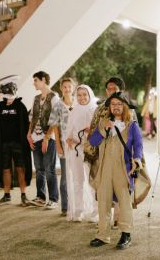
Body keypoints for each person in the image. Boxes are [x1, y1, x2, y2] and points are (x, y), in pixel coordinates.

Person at [89, 91, 143, 250]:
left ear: (125, 106)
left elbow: (138, 146)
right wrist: (103, 129)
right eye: (113, 104)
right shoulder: (104, 122)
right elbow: (93, 141)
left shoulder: (132, 125)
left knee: (125, 202)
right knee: (103, 201)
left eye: (119, 104)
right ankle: (103, 235)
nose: (116, 107)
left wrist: (137, 159)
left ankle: (126, 233)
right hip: (105, 167)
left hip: (124, 167)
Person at [84, 77, 127, 228]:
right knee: (103, 187)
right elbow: (93, 127)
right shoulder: (100, 108)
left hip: (120, 154)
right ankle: (104, 218)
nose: (110, 91)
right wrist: (90, 150)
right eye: (108, 88)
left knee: (119, 186)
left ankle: (118, 217)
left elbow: (131, 131)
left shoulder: (127, 108)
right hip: (101, 153)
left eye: (113, 88)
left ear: (120, 90)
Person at [0, 75, 32, 206]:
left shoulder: (20, 106)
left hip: (18, 143)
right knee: (5, 169)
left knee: (21, 168)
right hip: (3, 144)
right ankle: (7, 195)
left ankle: (23, 195)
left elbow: (26, 125)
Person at [65, 84, 98, 222]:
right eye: (79, 95)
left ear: (89, 95)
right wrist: (70, 141)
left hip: (91, 150)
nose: (82, 97)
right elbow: (68, 132)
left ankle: (96, 211)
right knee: (78, 181)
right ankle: (79, 210)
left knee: (93, 180)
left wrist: (90, 133)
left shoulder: (95, 110)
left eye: (85, 94)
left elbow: (99, 131)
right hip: (76, 150)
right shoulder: (74, 111)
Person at [27, 71, 60, 209]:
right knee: (39, 169)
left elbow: (55, 119)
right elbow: (33, 118)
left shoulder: (54, 97)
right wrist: (29, 134)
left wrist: (47, 138)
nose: (34, 83)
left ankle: (53, 199)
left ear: (44, 80)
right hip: (35, 137)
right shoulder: (36, 98)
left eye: (36, 80)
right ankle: (40, 197)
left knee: (49, 169)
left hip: (49, 138)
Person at [46, 78, 76, 216]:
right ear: (61, 89)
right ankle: (65, 207)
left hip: (78, 144)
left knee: (79, 176)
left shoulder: (79, 102)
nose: (67, 89)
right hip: (64, 144)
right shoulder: (57, 105)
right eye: (65, 87)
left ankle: (78, 205)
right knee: (65, 177)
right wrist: (58, 143)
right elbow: (55, 126)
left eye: (69, 86)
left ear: (73, 87)